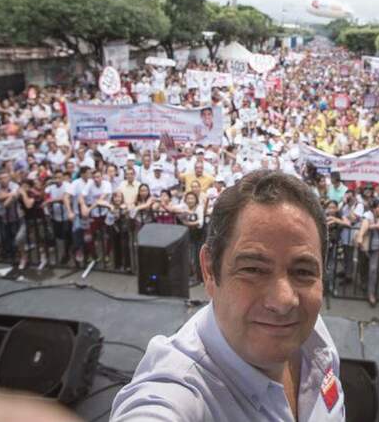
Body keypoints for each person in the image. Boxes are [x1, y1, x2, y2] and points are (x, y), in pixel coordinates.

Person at [111, 170, 344, 420]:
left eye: (303, 271)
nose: (284, 301)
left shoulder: (313, 334)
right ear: (210, 270)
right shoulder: (177, 391)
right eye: (253, 269)